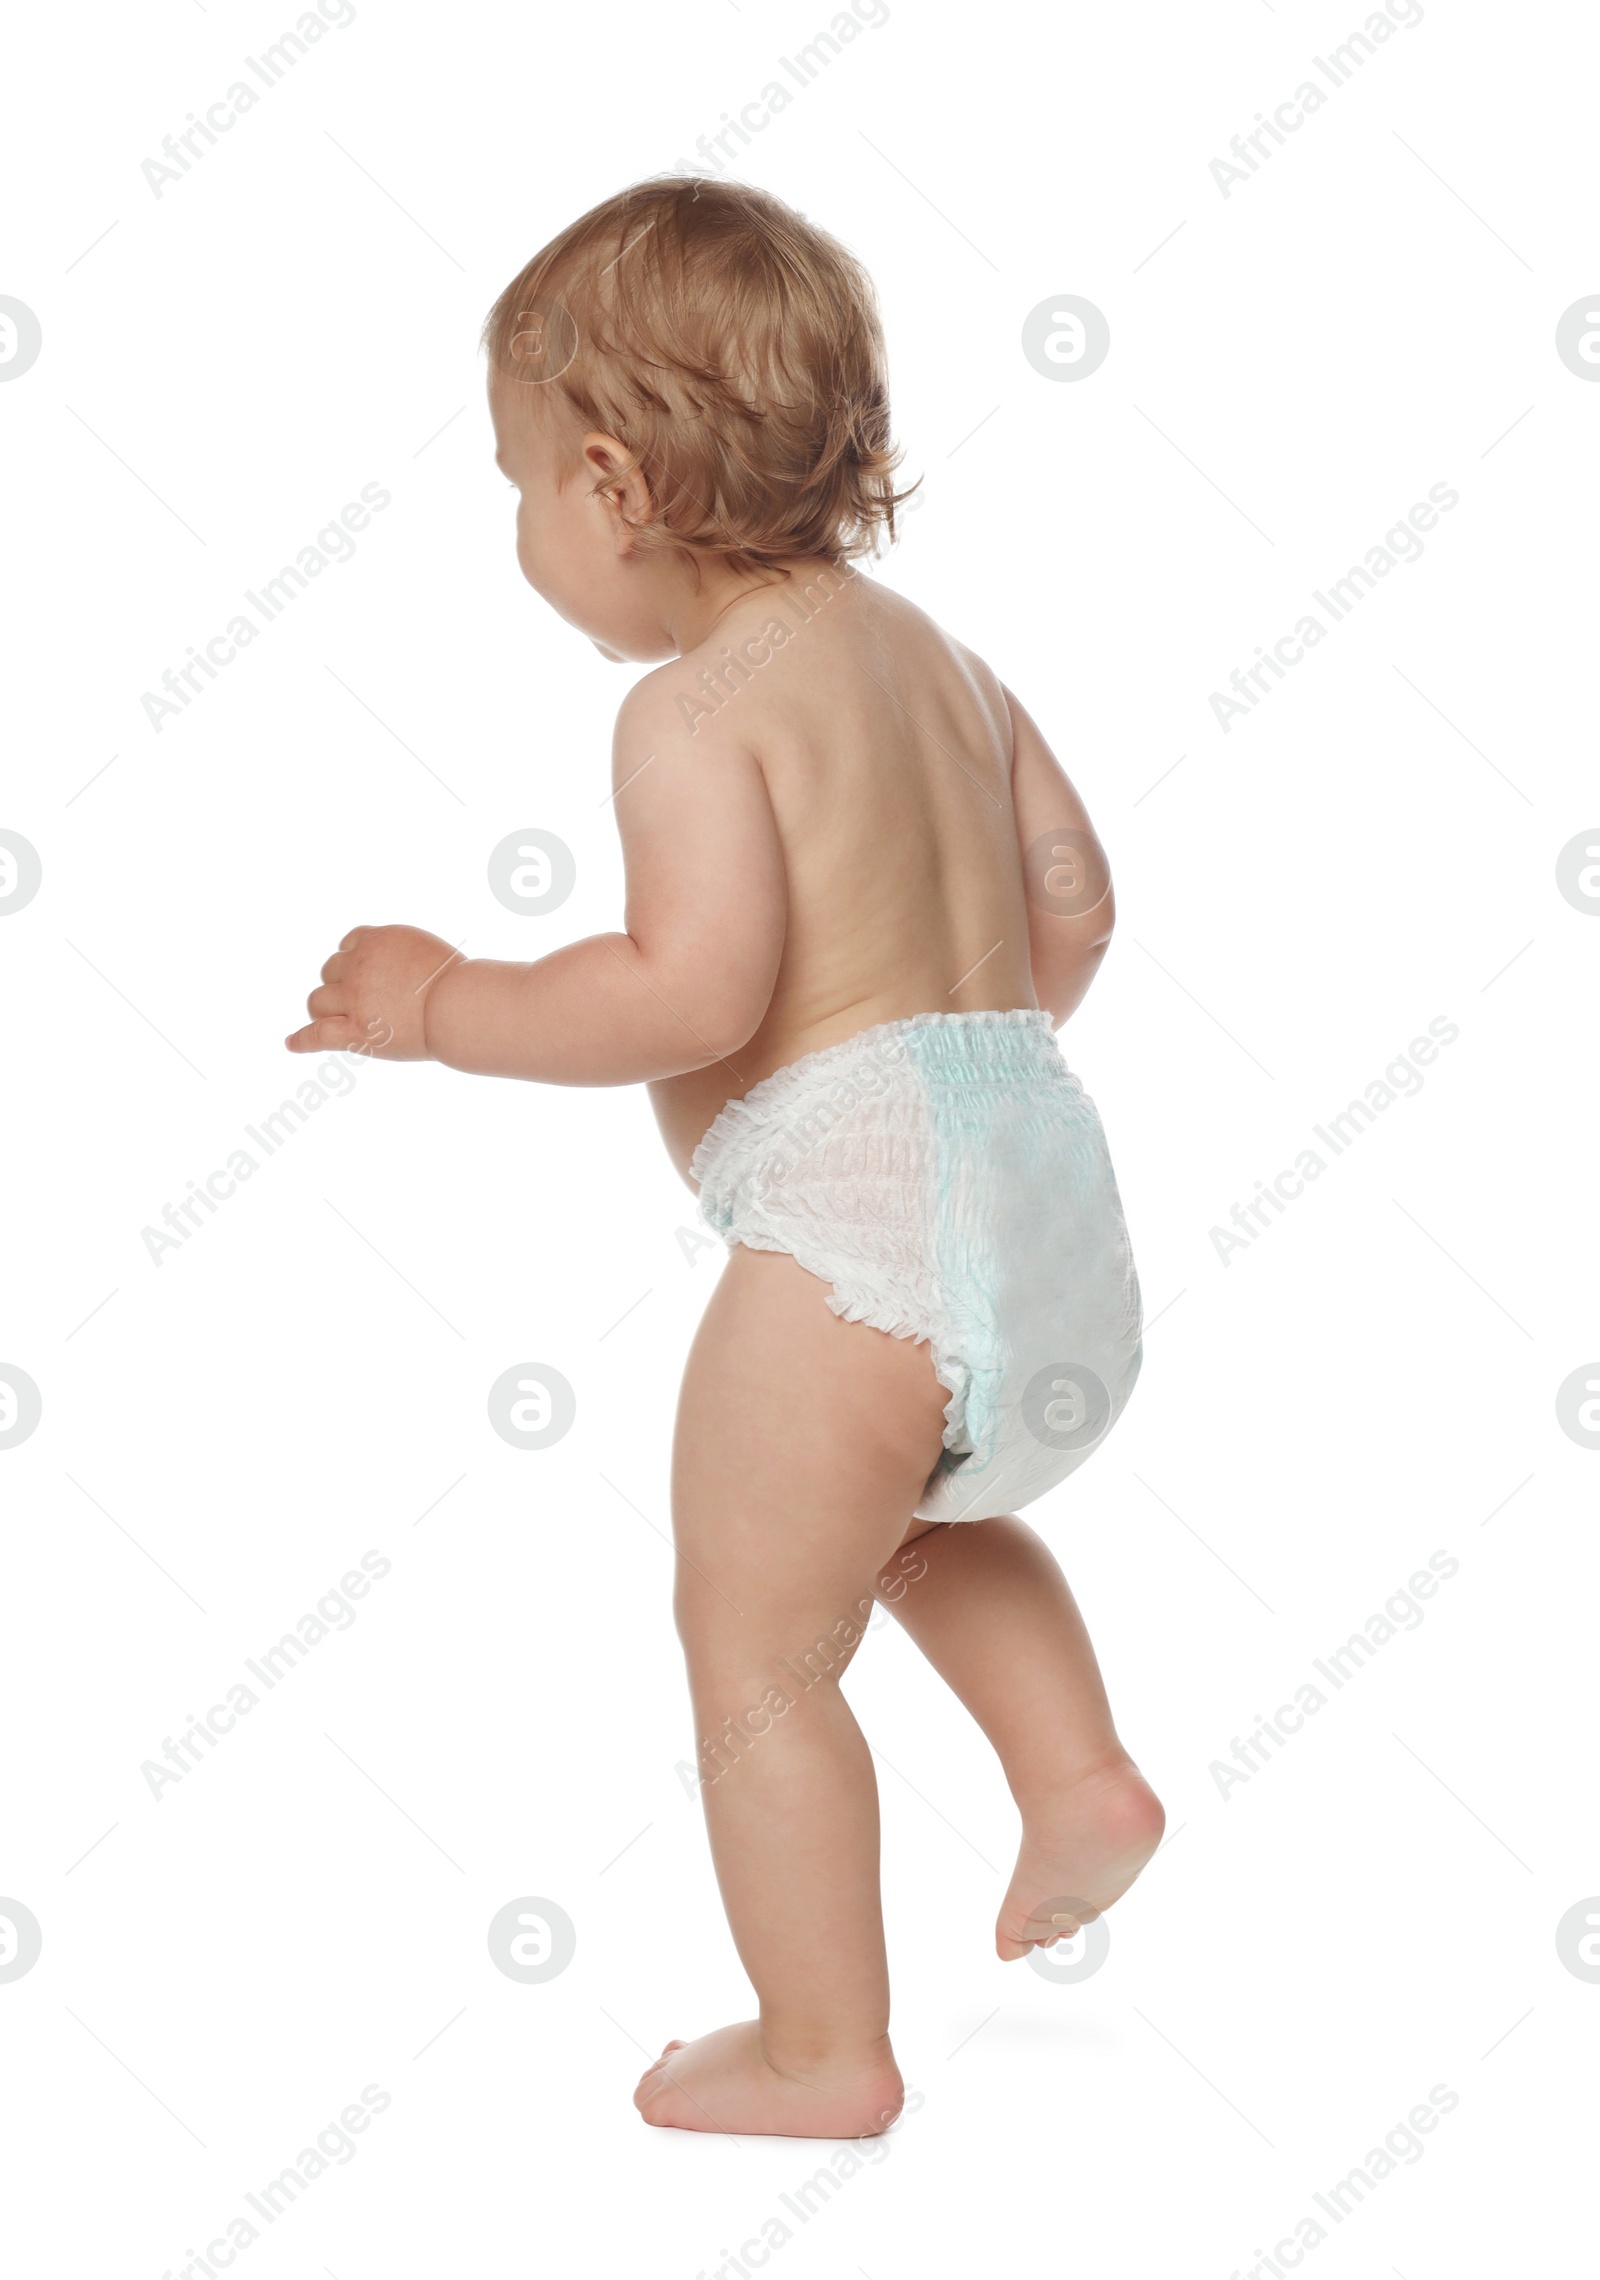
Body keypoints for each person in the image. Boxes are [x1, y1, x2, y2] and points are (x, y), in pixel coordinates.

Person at [287, 175, 1163, 2140]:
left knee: (756, 1639)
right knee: (904, 1519)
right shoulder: (940, 661)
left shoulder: (694, 709)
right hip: (1044, 1195)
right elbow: (1079, 907)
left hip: (855, 1230)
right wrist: (968, 1098)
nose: (521, 522)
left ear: (607, 484)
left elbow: (686, 996)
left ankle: (818, 2047)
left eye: (512, 480)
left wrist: (442, 999)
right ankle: (1075, 1775)